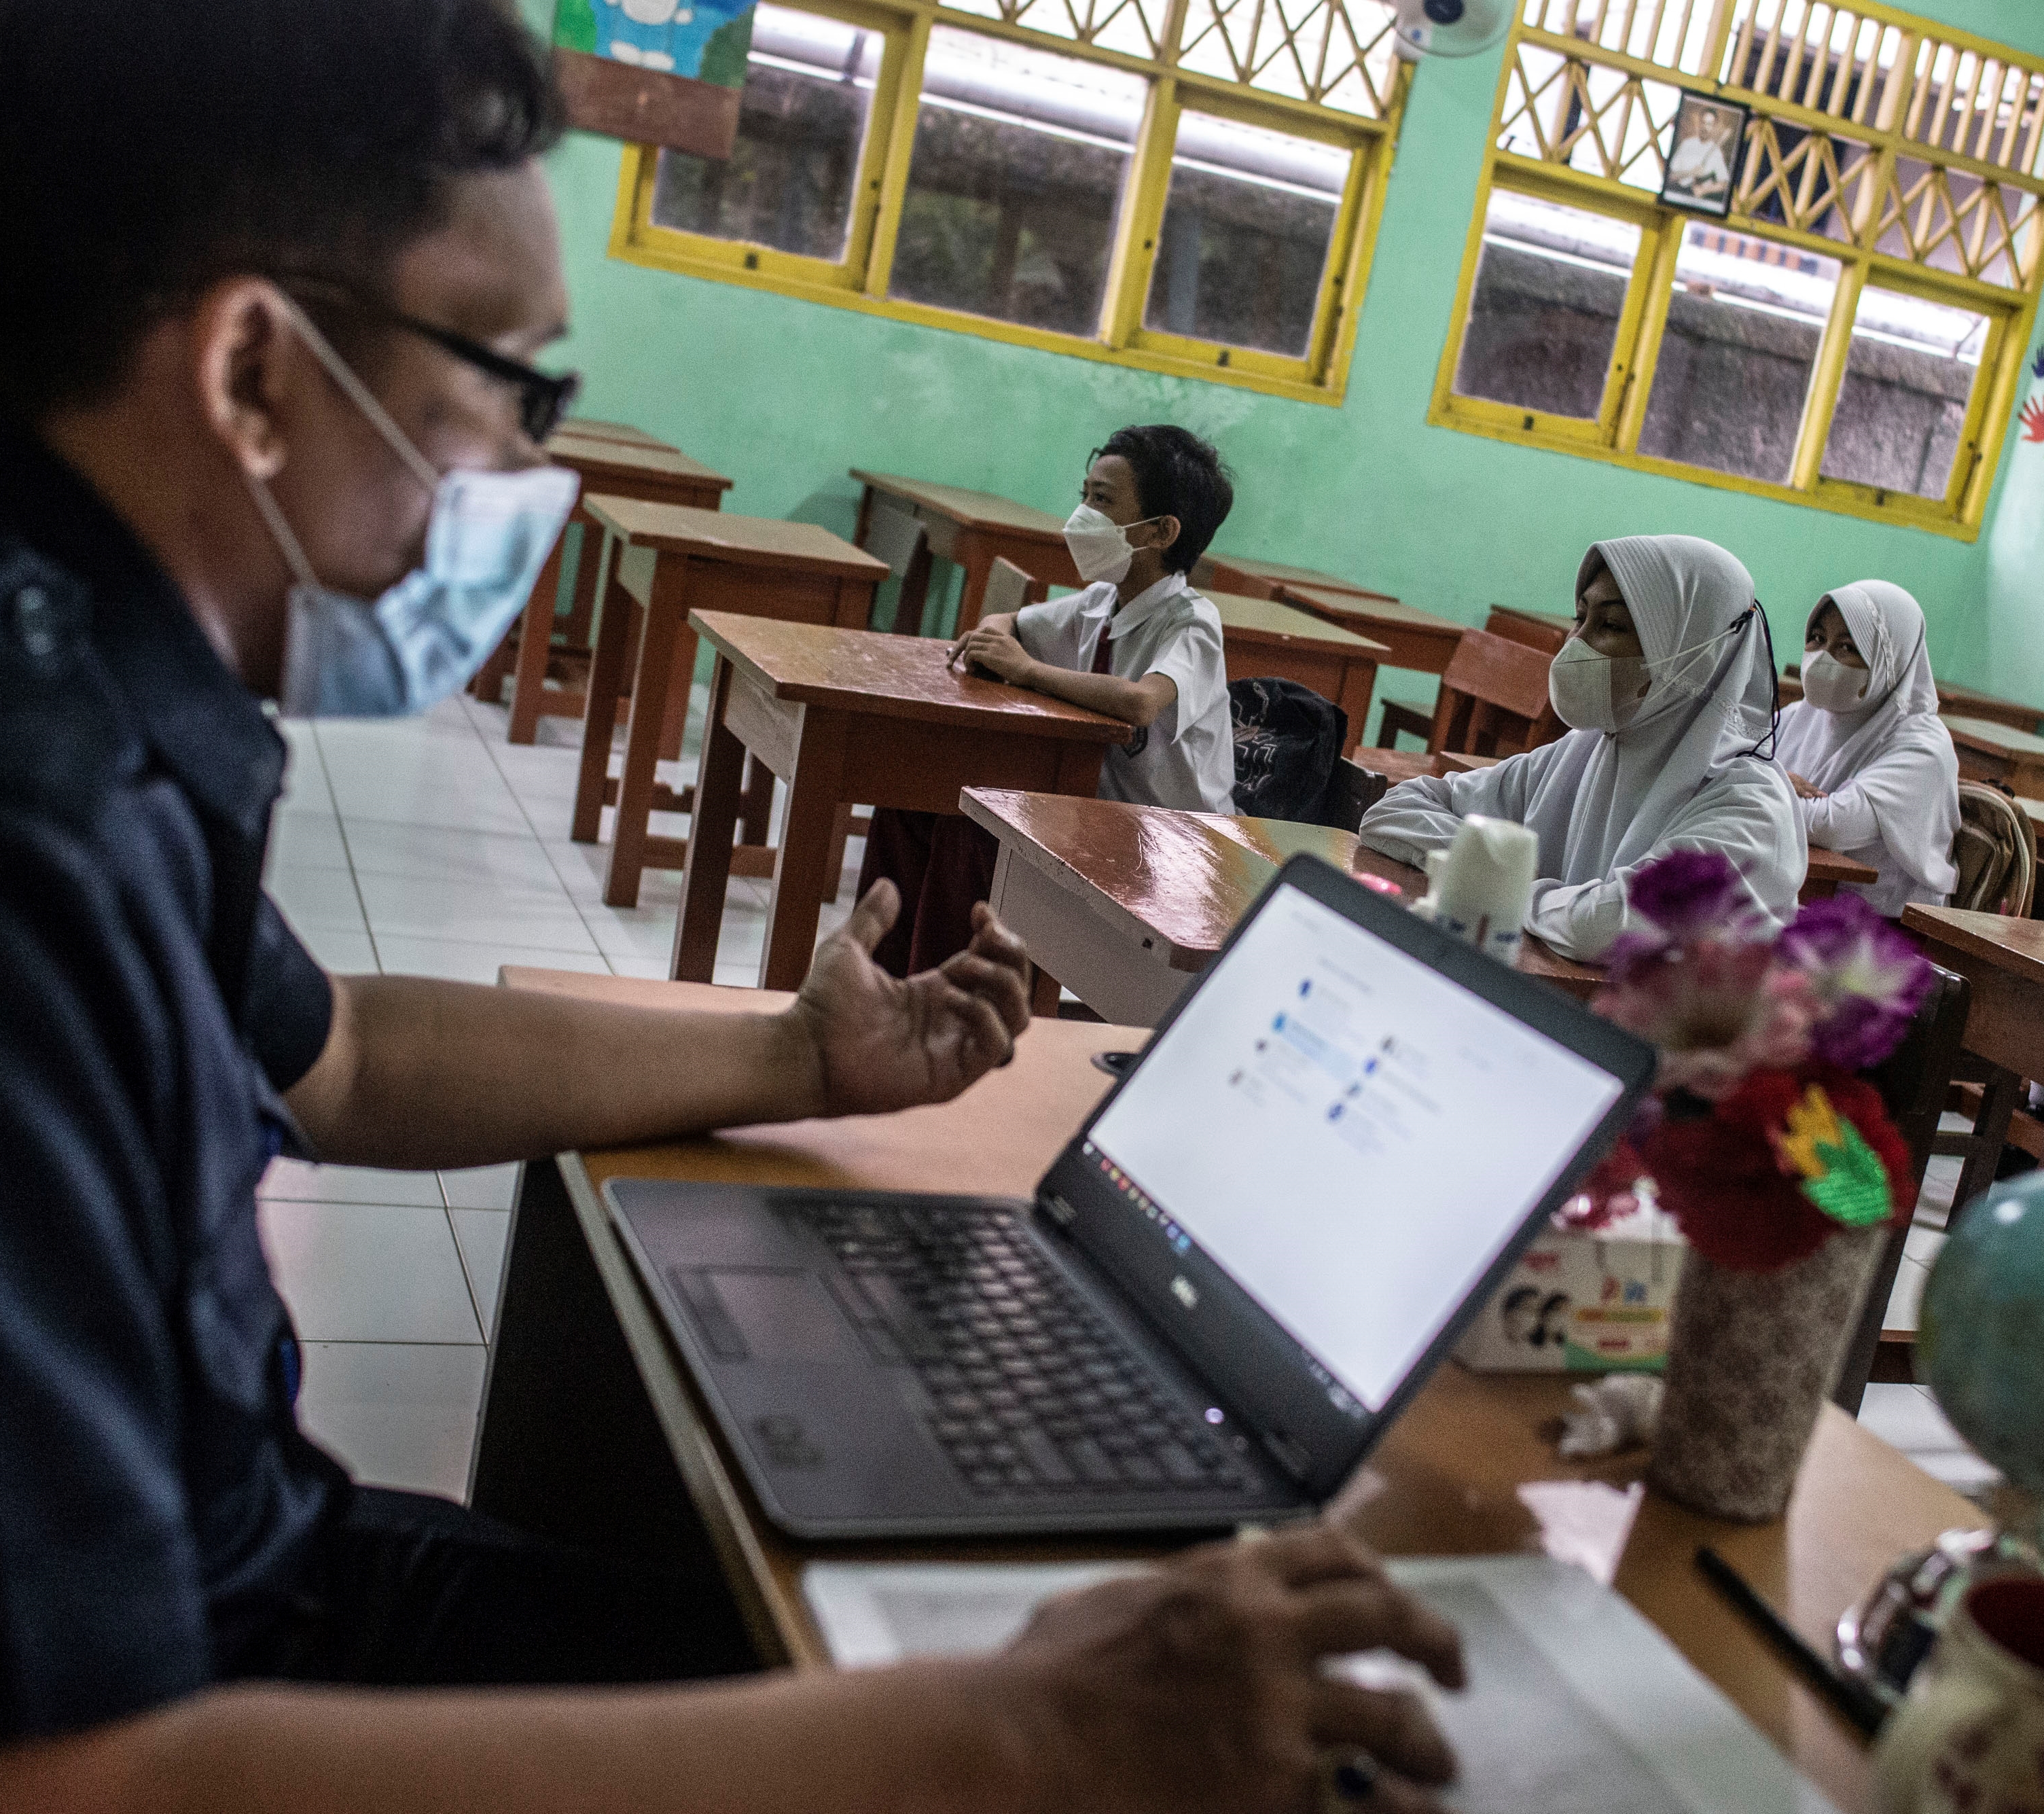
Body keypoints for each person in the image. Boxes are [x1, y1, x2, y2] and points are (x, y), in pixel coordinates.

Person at [0, 5, 1465, 1810]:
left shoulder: (103, 714)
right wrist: (1014, 1731)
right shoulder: (36, 837)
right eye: (512, 386)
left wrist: (793, 1050)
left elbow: (350, 1055)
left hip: (266, 1577)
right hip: (200, 1693)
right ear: (250, 373)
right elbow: (77, 1769)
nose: (531, 475)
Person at [857, 425, 1238, 974]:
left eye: (1102, 501)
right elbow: (1008, 622)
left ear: (1160, 532)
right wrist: (994, 639)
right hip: (1095, 814)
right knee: (914, 803)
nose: (1082, 513)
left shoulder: (1192, 622)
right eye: (1084, 495)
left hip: (1171, 844)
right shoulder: (1101, 601)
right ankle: (882, 977)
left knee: (971, 833)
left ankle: (944, 998)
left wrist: (1029, 671)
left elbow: (1140, 702)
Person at [1359, 534, 1807, 959]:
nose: (1576, 642)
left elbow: (1608, 928)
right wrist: (1505, 878)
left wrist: (1506, 884)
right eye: (1580, 617)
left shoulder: (1747, 802)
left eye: (1610, 624)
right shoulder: (1584, 750)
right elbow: (1394, 810)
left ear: (1694, 651)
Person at [1774, 582, 1959, 918]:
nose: (1823, 657)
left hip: (1876, 933)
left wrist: (1767, 783)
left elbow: (1832, 825)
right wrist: (1775, 779)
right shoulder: (1803, 715)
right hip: (1801, 894)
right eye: (1817, 639)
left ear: (1892, 659)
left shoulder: (1924, 748)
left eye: (1847, 647)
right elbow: (1727, 766)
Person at [1666, 103, 1734, 202]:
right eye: (1703, 122)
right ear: (1699, 123)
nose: (1705, 127)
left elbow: (1724, 183)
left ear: (1714, 127)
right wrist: (1690, 172)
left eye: (1709, 124)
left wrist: (1704, 190)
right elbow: (1670, 175)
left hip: (1699, 201)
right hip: (1678, 194)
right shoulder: (1687, 144)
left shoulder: (1716, 152)